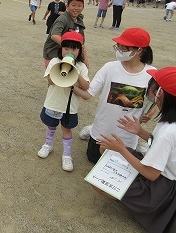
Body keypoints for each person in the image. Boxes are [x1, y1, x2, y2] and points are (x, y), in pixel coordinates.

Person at [96, 66, 176, 233]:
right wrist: (140, 132)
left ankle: (142, 204)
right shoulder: (170, 121)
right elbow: (165, 149)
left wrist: (122, 149)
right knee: (107, 150)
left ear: (161, 93)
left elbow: (151, 174)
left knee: (99, 185)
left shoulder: (168, 132)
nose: (151, 92)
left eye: (154, 88)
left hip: (160, 186)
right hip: (160, 173)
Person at [74, 27, 155, 163]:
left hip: (127, 137)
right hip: (102, 131)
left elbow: (159, 99)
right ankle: (92, 128)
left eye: (125, 48)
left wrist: (151, 112)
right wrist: (70, 85)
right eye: (118, 46)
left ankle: (137, 146)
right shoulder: (109, 67)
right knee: (94, 160)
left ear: (139, 50)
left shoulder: (151, 74)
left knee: (119, 165)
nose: (119, 50)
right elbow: (88, 94)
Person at [37, 31, 89, 172]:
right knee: (51, 125)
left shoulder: (81, 67)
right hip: (54, 103)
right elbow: (50, 80)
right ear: (61, 49)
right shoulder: (55, 62)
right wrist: (62, 68)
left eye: (74, 49)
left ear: (80, 50)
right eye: (66, 48)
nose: (69, 51)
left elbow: (86, 87)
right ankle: (48, 144)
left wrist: (75, 74)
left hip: (69, 108)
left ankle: (66, 155)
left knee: (67, 129)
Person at [43, 0, 87, 68]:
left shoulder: (79, 19)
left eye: (79, 5)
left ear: (83, 7)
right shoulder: (63, 19)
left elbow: (81, 40)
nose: (76, 8)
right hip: (54, 54)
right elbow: (54, 35)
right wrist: (70, 46)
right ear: (67, 6)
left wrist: (84, 57)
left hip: (68, 55)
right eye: (73, 5)